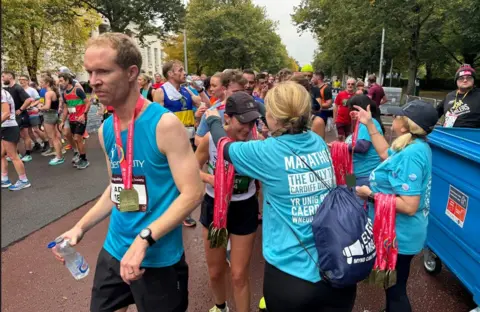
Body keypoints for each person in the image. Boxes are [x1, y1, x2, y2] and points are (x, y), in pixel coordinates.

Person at [52, 32, 204, 312]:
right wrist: (79, 227)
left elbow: (193, 192)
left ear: (132, 72)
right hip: (115, 249)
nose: (93, 80)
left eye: (104, 71)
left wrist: (145, 238)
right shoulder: (107, 129)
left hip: (157, 258)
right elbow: (116, 188)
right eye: (90, 72)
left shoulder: (164, 124)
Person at [204, 82, 356, 312]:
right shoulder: (315, 140)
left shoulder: (267, 151)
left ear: (273, 117)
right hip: (337, 269)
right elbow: (289, 119)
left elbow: (224, 146)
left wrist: (213, 118)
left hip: (291, 276)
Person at [355, 100, 438, 312]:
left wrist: (371, 195)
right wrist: (370, 125)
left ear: (408, 124)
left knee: (396, 289)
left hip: (401, 233)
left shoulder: (412, 153)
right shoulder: (412, 146)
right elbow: (385, 154)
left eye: (398, 115)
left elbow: (409, 205)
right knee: (392, 284)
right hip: (398, 231)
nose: (394, 118)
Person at [196, 92, 261, 312]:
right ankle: (220, 306)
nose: (248, 127)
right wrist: (211, 179)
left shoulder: (257, 141)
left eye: (252, 121)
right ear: (228, 118)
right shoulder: (209, 140)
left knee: (239, 273)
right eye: (243, 121)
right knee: (215, 270)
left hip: (244, 207)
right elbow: (192, 169)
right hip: (215, 206)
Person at [344, 95, 384, 194]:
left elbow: (362, 147)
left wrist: (340, 147)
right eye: (350, 109)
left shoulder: (369, 123)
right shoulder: (358, 124)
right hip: (352, 174)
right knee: (350, 198)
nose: (351, 112)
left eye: (353, 109)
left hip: (364, 176)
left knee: (358, 204)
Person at [58, 73, 91, 169]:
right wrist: (63, 121)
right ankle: (80, 156)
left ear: (67, 81)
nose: (60, 83)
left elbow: (88, 103)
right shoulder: (64, 94)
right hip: (71, 119)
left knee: (77, 138)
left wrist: (83, 114)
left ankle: (84, 160)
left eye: (61, 81)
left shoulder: (77, 90)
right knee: (74, 138)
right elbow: (65, 108)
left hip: (80, 119)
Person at [1, 89, 31, 190]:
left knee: (13, 156)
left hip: (8, 127)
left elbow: (6, 113)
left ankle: (24, 180)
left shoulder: (1, 93)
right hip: (4, 127)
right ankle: (4, 179)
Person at [2, 70, 34, 162]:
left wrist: (20, 110)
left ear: (10, 77)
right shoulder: (7, 89)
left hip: (22, 115)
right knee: (18, 136)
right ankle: (18, 154)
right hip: (13, 117)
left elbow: (28, 99)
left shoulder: (17, 88)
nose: (2, 78)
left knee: (25, 135)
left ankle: (28, 154)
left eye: (4, 76)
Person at [437, 64, 479, 128]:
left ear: (474, 80)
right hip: (448, 134)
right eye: (461, 78)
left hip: (471, 136)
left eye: (469, 77)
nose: (465, 80)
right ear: (456, 81)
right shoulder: (449, 96)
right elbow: (435, 114)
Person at [38, 76, 65, 165]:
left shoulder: (48, 93)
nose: (40, 84)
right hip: (54, 115)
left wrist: (40, 107)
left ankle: (59, 157)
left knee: (53, 138)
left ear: (47, 83)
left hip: (49, 115)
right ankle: (60, 155)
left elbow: (47, 106)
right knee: (56, 136)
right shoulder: (54, 92)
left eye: (42, 82)